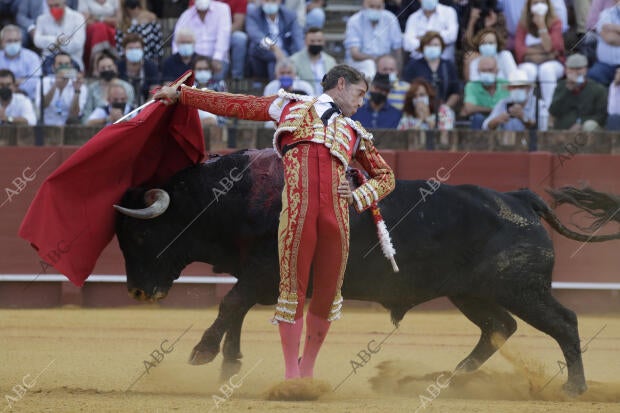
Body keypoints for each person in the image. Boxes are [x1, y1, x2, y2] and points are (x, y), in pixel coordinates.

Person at [153, 64, 395, 381]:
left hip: (337, 220)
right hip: (298, 215)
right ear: (340, 84)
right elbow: (235, 103)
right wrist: (182, 94)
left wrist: (357, 195)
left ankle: (307, 370)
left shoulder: (355, 133)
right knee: (291, 293)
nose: (362, 102)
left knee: (325, 296)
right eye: (360, 93)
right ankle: (292, 374)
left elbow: (386, 177)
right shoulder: (289, 106)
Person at [514, 0, 565, 108]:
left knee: (546, 70)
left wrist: (541, 25)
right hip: (529, 62)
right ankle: (525, 111)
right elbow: (519, 49)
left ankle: (550, 111)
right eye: (535, 3)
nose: (539, 6)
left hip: (553, 63)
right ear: (529, 6)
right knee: (528, 70)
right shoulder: (523, 24)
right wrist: (543, 52)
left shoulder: (556, 22)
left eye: (542, 2)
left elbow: (550, 47)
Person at [173, 0, 231, 82]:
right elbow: (176, 39)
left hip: (216, 58)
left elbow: (223, 37)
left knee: (217, 78)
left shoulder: (222, 9)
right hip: (193, 60)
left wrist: (217, 58)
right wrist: (179, 60)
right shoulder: (186, 15)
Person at [402, 31, 461, 110]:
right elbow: (406, 89)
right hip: (418, 110)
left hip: (443, 110)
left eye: (436, 45)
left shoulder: (448, 66)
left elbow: (455, 92)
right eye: (429, 45)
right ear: (423, 47)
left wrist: (445, 108)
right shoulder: (413, 66)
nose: (432, 47)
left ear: (442, 47)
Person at [343, 0, 402, 79]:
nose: (375, 9)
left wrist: (397, 69)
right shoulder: (354, 21)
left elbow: (397, 49)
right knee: (369, 65)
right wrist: (377, 60)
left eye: (378, 7)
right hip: (360, 63)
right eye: (371, 6)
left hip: (385, 62)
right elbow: (355, 54)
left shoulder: (390, 18)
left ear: (383, 6)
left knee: (389, 67)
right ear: (364, 5)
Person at [246, 0, 304, 80]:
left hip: (285, 55)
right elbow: (255, 34)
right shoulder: (254, 14)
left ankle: (277, 86)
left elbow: (298, 38)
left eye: (273, 0)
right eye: (266, 0)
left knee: (276, 60)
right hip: (261, 53)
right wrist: (275, 48)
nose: (270, 3)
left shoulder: (289, 15)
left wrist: (302, 56)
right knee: (275, 56)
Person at [548, 53, 608, 131]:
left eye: (579, 69)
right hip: (563, 129)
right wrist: (567, 90)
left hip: (586, 131)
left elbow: (601, 116)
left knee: (589, 126)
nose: (575, 72)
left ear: (586, 70)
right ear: (566, 70)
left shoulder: (598, 89)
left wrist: (580, 123)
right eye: (571, 69)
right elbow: (553, 111)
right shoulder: (561, 86)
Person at [483, 68, 547, 130]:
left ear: (528, 88)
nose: (517, 90)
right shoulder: (503, 103)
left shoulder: (539, 105)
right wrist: (496, 120)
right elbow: (485, 126)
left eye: (521, 87)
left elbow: (543, 128)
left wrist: (523, 118)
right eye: (514, 87)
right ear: (509, 89)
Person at [34, 0, 87, 73]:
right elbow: (37, 41)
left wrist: (50, 43)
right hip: (49, 61)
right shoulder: (42, 19)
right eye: (50, 6)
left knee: (69, 76)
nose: (53, 9)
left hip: (72, 60)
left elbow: (77, 44)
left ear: (64, 3)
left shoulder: (78, 18)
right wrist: (57, 40)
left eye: (56, 5)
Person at [35, 52, 88, 125]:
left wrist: (76, 91)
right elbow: (41, 106)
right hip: (46, 125)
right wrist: (54, 85)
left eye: (66, 64)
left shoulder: (79, 85)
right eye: (60, 64)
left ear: (71, 66)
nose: (63, 67)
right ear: (53, 67)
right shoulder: (44, 82)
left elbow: (75, 114)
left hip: (68, 127)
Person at [82, 51, 134, 122]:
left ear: (115, 68)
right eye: (103, 68)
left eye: (109, 67)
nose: (106, 70)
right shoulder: (92, 89)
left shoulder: (127, 87)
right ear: (97, 70)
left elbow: (130, 110)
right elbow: (86, 115)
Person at [462, 56, 510, 129]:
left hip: (503, 119)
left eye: (490, 70)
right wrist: (495, 110)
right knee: (478, 118)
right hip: (482, 120)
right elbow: (469, 109)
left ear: (497, 71)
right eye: (483, 71)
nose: (487, 73)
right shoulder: (472, 86)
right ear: (478, 71)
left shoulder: (506, 85)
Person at [0, 24, 42, 101]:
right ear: (2, 42)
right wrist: (20, 80)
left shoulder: (32, 57)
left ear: (21, 41)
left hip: (27, 99)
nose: (13, 43)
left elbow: (35, 80)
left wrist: (9, 86)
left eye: (16, 41)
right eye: (9, 41)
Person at [290, 27, 336, 94]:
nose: (316, 44)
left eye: (319, 41)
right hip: (304, 101)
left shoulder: (331, 62)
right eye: (312, 41)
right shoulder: (294, 61)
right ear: (305, 42)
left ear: (324, 42)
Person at [78, 0, 121, 72]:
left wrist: (98, 18)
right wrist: (109, 20)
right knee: (100, 28)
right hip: (92, 31)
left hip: (111, 30)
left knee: (102, 28)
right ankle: (96, 64)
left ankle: (110, 65)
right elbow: (86, 21)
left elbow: (119, 21)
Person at [116, 0, 164, 65]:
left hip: (148, 61)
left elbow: (158, 44)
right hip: (127, 63)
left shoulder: (151, 18)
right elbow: (119, 48)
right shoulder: (121, 21)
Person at [117, 32, 160, 104]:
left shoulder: (151, 66)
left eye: (137, 48)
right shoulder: (118, 67)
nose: (134, 51)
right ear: (124, 50)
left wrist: (144, 111)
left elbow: (154, 92)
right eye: (130, 48)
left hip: (145, 107)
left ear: (142, 50)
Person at [587, 0, 620, 86]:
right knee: (592, 78)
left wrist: (614, 27)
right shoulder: (606, 14)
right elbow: (610, 39)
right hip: (605, 65)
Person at [219, 0, 249, 79]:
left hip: (228, 33)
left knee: (240, 38)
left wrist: (221, 37)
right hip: (206, 35)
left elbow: (238, 24)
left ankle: (237, 78)